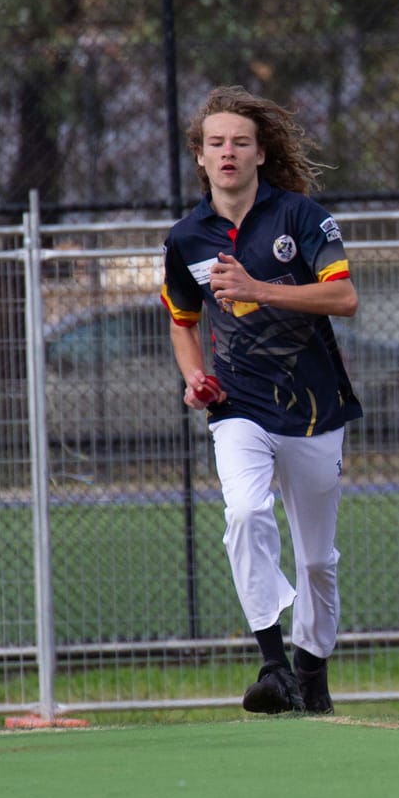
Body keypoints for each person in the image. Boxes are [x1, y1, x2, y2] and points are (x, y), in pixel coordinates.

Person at [162, 86, 359, 716]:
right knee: (245, 515)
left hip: (312, 409)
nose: (228, 152)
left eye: (240, 142)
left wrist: (258, 288)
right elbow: (181, 319)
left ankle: (312, 670)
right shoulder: (186, 238)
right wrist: (194, 377)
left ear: (260, 152)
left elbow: (344, 298)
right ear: (200, 156)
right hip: (239, 406)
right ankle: (273, 664)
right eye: (215, 143)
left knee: (318, 561)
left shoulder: (300, 216)